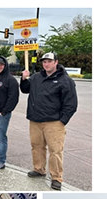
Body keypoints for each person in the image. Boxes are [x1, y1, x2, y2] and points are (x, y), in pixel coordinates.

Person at [20, 52, 78, 191]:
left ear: (56, 62)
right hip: (35, 120)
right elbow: (25, 90)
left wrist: (62, 120)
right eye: (44, 62)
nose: (46, 64)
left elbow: (71, 104)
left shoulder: (65, 80)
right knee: (37, 146)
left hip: (54, 122)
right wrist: (23, 78)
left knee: (55, 150)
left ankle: (56, 177)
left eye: (49, 61)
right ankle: (39, 169)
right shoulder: (36, 77)